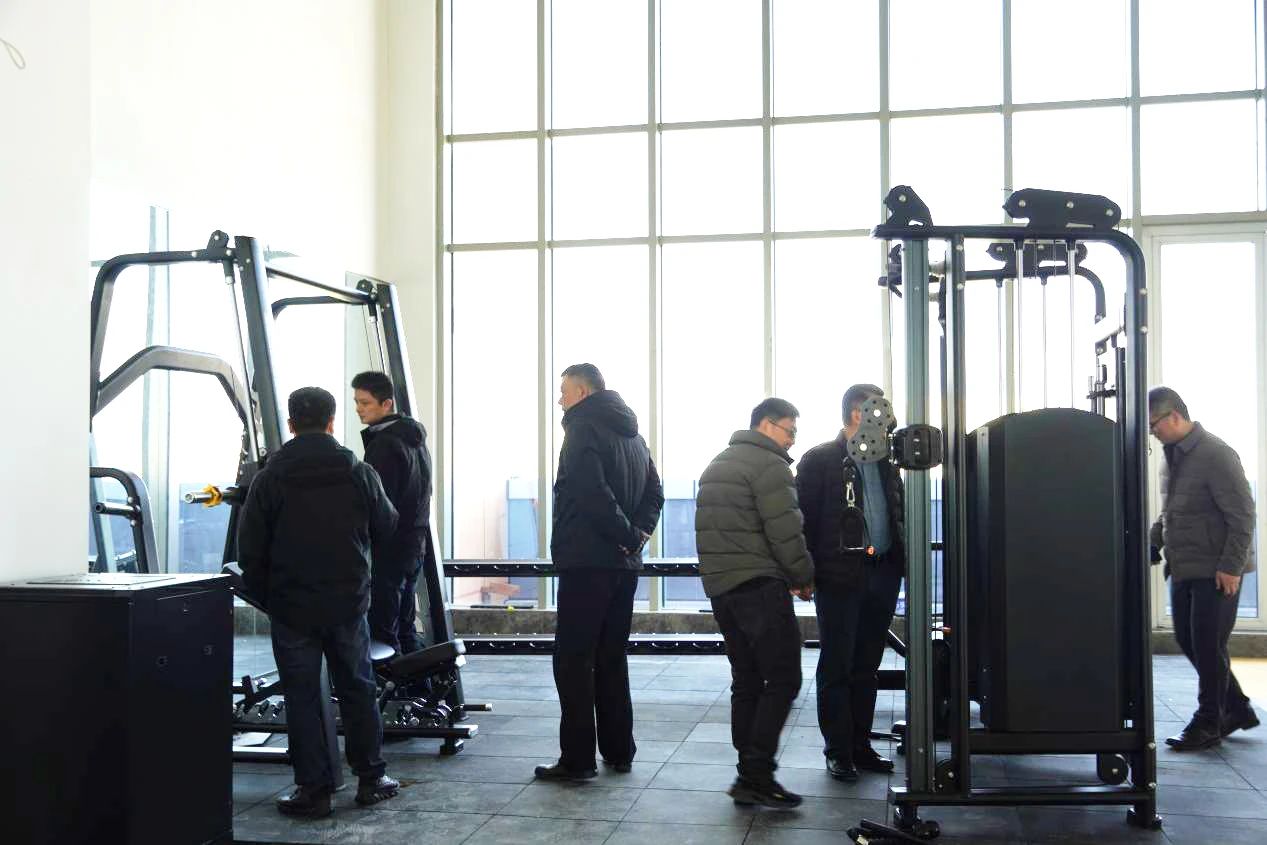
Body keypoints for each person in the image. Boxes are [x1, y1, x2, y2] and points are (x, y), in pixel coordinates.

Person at [237, 387, 401, 817]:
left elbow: (249, 549)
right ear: (331, 422)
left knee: (302, 696)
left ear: (292, 425)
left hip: (292, 606)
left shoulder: (271, 477)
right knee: (358, 688)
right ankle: (371, 778)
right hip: (347, 601)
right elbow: (387, 525)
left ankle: (314, 790)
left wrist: (271, 594)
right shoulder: (358, 470)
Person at [534, 363, 664, 781]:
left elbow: (590, 491)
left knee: (573, 660)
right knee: (611, 657)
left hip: (587, 562)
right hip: (623, 566)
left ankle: (577, 760)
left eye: (564, 391)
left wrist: (625, 534)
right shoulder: (635, 437)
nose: (560, 400)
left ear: (583, 392)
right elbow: (655, 492)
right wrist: (637, 536)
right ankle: (619, 750)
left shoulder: (581, 429)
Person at [696, 397, 815, 809]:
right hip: (759, 588)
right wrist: (802, 577)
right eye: (789, 431)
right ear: (767, 425)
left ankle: (747, 771)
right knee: (784, 678)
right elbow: (785, 531)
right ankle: (756, 774)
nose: (792, 440)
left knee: (746, 678)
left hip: (723, 590)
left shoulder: (718, 464)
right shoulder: (770, 466)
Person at [795, 384, 906, 781]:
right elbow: (802, 521)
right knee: (838, 664)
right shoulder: (820, 460)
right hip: (839, 576)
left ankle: (860, 745)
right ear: (857, 414)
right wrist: (803, 573)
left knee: (867, 665)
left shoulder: (887, 462)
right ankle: (838, 750)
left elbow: (896, 513)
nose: (885, 420)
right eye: (878, 411)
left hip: (883, 573)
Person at [1148, 386, 1258, 750]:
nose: (1152, 432)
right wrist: (1153, 541)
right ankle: (1237, 708)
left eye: (1154, 424)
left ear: (1175, 416)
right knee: (1189, 640)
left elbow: (1243, 516)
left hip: (1217, 570)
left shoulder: (1216, 454)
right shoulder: (1172, 457)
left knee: (1209, 646)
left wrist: (1231, 567)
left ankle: (1208, 722)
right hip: (1184, 566)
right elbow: (1172, 511)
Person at [351, 370, 434, 656]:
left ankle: (392, 682)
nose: (359, 409)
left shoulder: (385, 445)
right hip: (413, 544)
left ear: (386, 404)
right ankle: (418, 680)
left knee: (384, 631)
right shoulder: (414, 440)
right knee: (405, 625)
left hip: (392, 548)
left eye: (365, 403)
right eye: (356, 402)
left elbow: (379, 503)